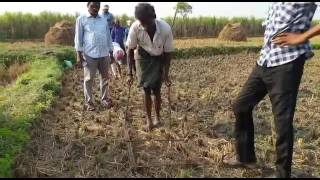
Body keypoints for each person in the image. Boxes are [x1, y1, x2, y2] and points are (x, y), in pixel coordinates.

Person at [223, 2, 320, 178]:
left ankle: (283, 174)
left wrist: (302, 37)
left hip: (288, 61)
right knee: (240, 106)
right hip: (265, 60)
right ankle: (246, 158)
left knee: (282, 121)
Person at [126, 3, 174, 132]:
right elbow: (130, 50)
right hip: (142, 59)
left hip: (158, 58)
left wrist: (166, 74)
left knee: (157, 90)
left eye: (147, 22)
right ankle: (149, 120)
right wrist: (129, 73)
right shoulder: (135, 27)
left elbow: (168, 53)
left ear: (154, 17)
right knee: (146, 89)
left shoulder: (165, 29)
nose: (144, 26)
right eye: (142, 22)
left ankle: (158, 117)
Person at [74, 2, 114, 111]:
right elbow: (78, 38)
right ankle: (89, 103)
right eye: (92, 6)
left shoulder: (103, 20)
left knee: (105, 78)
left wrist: (111, 52)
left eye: (97, 6)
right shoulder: (81, 19)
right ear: (88, 6)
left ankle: (104, 99)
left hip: (104, 53)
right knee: (88, 79)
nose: (95, 8)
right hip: (89, 54)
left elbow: (108, 36)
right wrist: (79, 54)